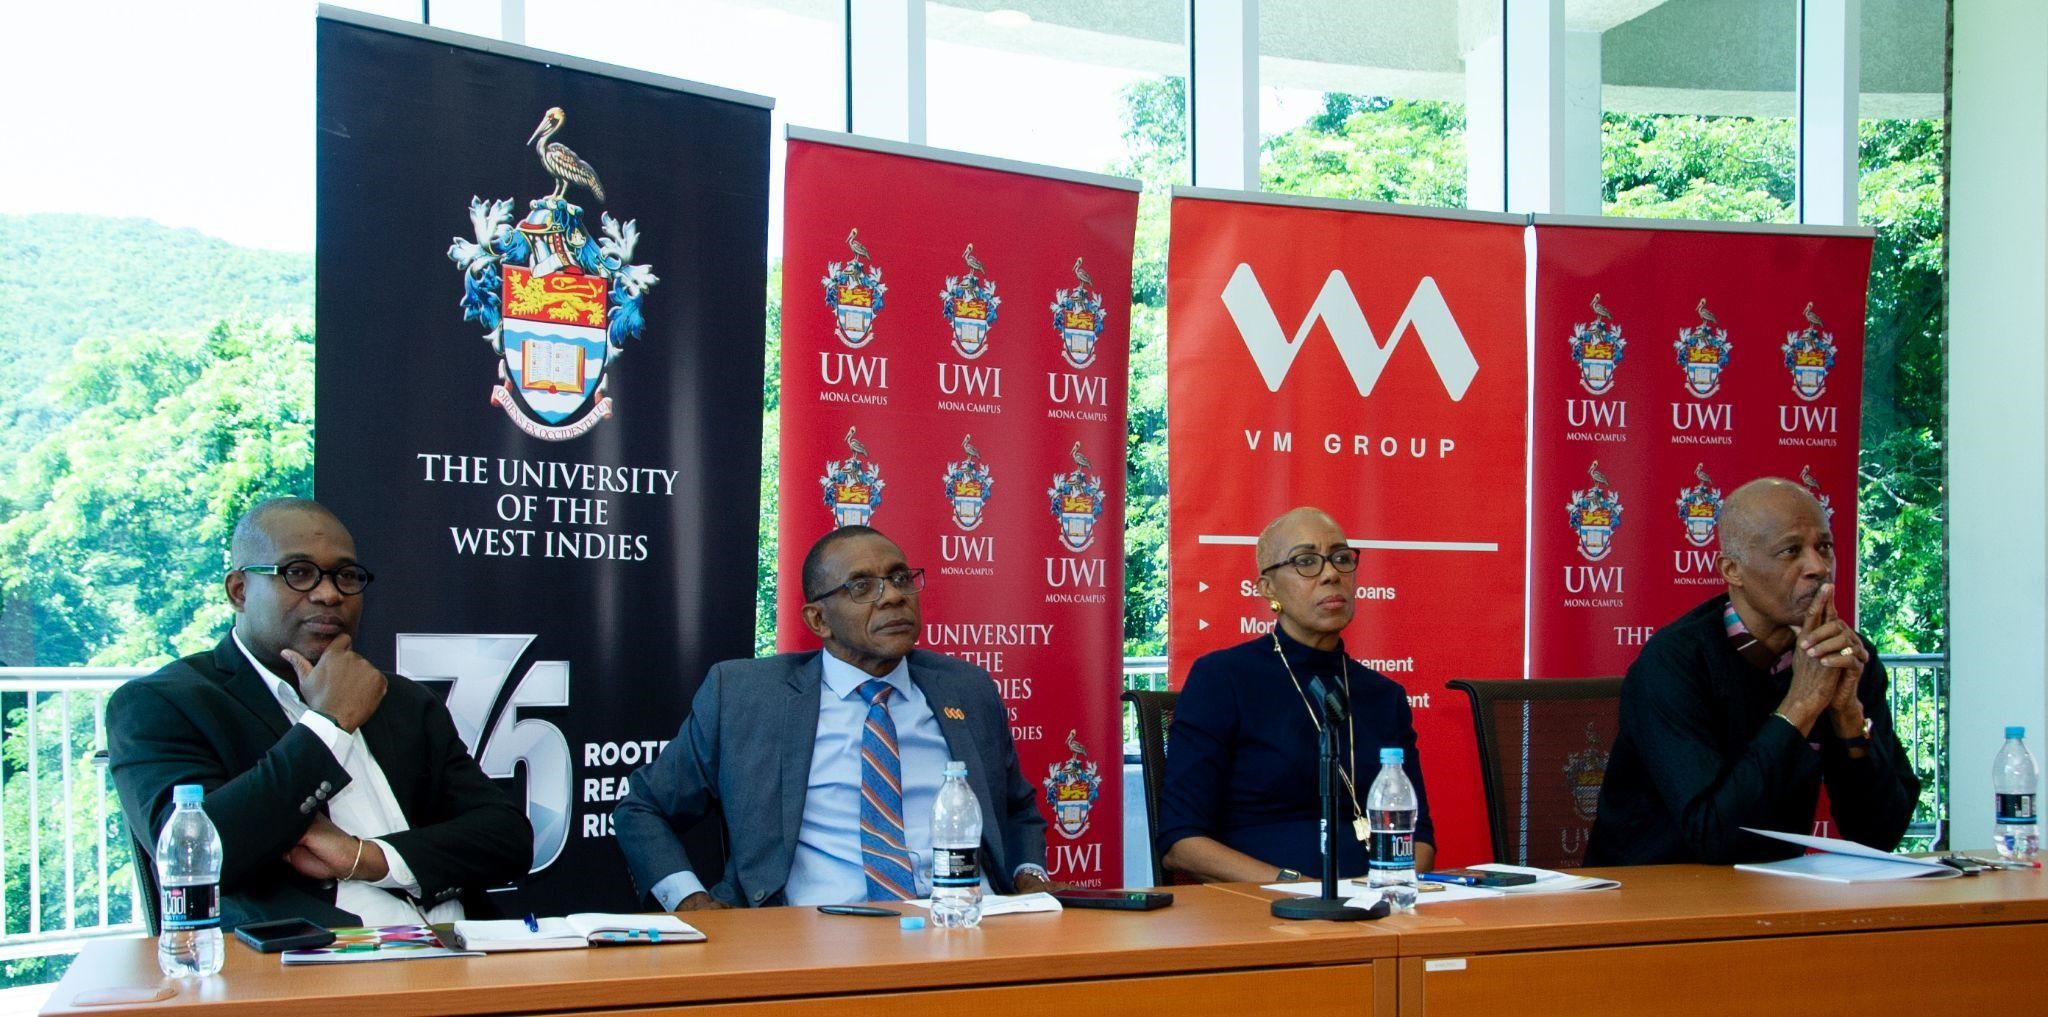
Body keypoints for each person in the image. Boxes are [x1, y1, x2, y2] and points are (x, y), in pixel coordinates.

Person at [107, 498, 532, 930]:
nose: (329, 594)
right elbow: (197, 858)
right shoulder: (165, 704)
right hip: (310, 971)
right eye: (298, 572)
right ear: (239, 590)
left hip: (466, 956)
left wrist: (362, 857)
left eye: (346, 576)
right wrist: (330, 725)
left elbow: (508, 839)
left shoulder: (401, 700)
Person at [613, 525, 1054, 909]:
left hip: (965, 922)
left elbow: (1016, 809)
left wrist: (1030, 878)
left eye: (900, 578)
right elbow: (642, 807)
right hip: (813, 937)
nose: (895, 596)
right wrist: (692, 904)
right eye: (862, 587)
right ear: (818, 619)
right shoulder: (745, 696)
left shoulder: (965, 689)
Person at [1586, 477, 1920, 866]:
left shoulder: (1842, 656)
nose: (1817, 567)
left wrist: (1848, 717)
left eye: (1824, 547)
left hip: (1776, 892)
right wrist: (1802, 703)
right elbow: (1714, 836)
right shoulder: (1674, 662)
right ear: (1733, 570)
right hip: (1653, 897)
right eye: (1790, 551)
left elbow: (1880, 836)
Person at [1157, 506, 1436, 883]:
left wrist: (1389, 889)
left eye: (1340, 558)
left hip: (1378, 907)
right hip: (1262, 909)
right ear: (1268, 588)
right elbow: (1181, 843)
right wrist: (1300, 889)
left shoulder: (1384, 696)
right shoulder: (1223, 679)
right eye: (1306, 562)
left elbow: (1419, 838)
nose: (1331, 574)